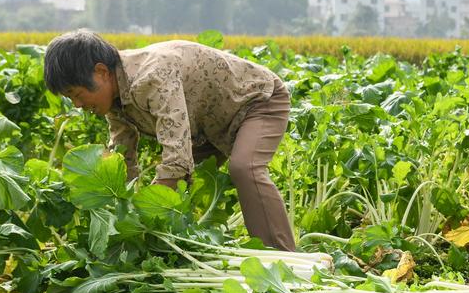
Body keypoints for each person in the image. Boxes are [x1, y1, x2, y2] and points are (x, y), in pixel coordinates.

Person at [43, 30, 296, 251]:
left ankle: (283, 259)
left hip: (257, 101)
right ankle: (184, 249)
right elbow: (123, 161)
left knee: (244, 167)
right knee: (186, 191)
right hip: (207, 127)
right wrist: (119, 214)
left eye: (77, 94)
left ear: (101, 72)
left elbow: (176, 158)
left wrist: (143, 220)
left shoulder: (152, 76)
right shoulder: (115, 100)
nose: (77, 104)